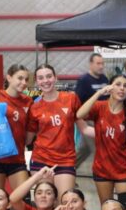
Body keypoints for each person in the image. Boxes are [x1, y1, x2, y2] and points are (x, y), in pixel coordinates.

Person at [77, 74, 126, 210]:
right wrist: (99, 93)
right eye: (118, 84)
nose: (122, 88)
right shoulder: (100, 107)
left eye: (125, 86)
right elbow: (80, 113)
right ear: (110, 88)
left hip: (124, 170)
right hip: (102, 169)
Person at [26, 64, 90, 196]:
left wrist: (111, 134)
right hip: (41, 160)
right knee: (46, 205)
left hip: (65, 159)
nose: (45, 81)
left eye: (49, 76)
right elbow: (27, 139)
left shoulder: (71, 99)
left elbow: (85, 128)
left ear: (55, 78)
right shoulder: (34, 106)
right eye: (41, 78)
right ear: (37, 81)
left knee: (64, 203)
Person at [0, 64, 33, 192]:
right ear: (9, 77)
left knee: (22, 198)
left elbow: (29, 129)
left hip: (17, 158)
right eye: (20, 78)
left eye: (26, 79)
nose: (24, 83)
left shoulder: (28, 101)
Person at [74, 53, 109, 167]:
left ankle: (68, 170)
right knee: (100, 150)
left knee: (85, 150)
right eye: (98, 63)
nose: (101, 66)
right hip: (88, 121)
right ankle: (105, 178)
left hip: (103, 120)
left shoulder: (104, 79)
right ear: (91, 64)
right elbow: (76, 102)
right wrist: (80, 122)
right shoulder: (84, 81)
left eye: (102, 63)